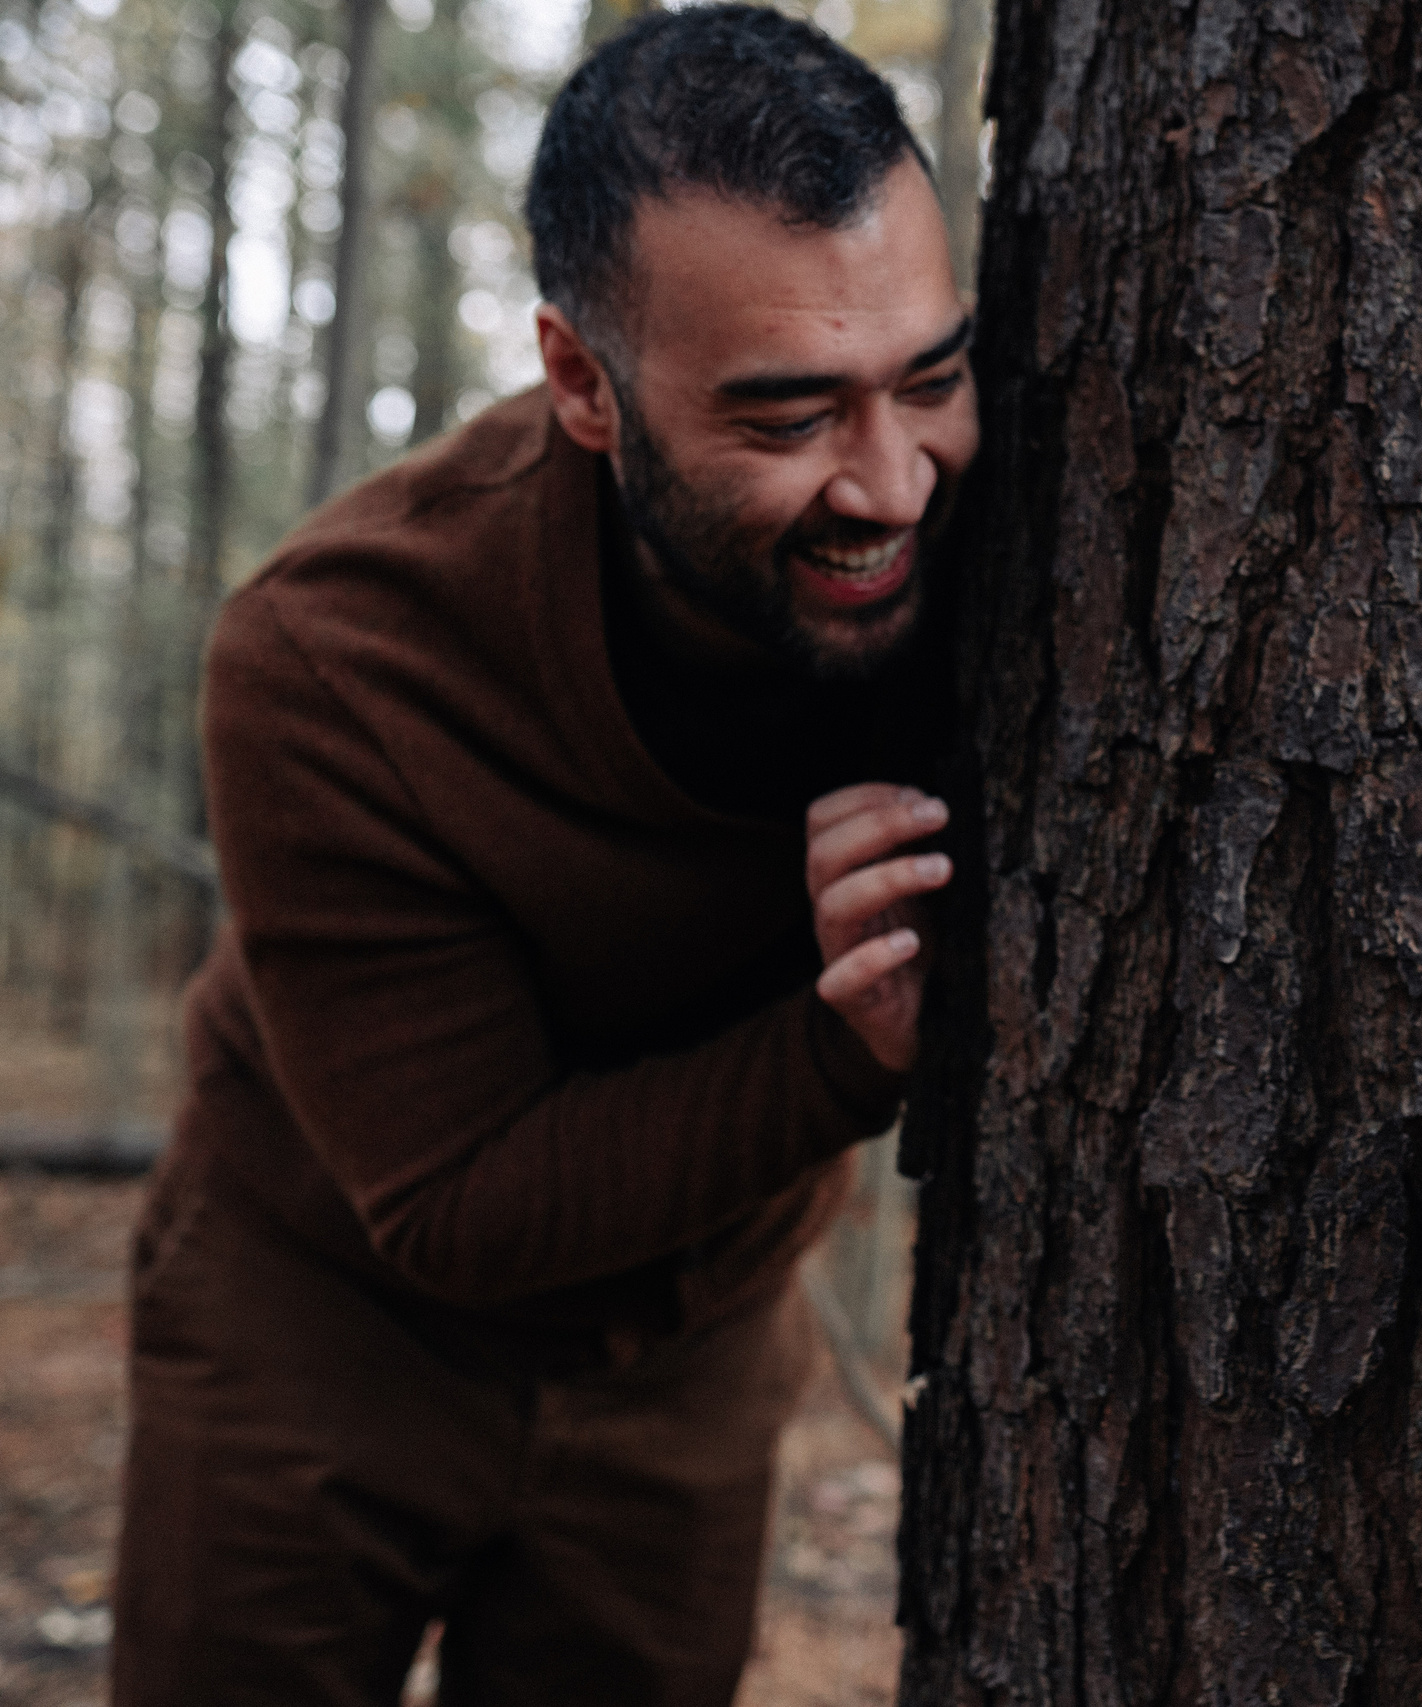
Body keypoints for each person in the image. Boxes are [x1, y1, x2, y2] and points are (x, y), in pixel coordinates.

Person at [108, 9, 975, 1702]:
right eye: (787, 417)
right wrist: (836, 1049)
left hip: (703, 1338)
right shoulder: (339, 657)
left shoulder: (1000, 527)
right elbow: (455, 1197)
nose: (887, 480)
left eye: (928, 379)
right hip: (318, 1313)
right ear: (584, 383)